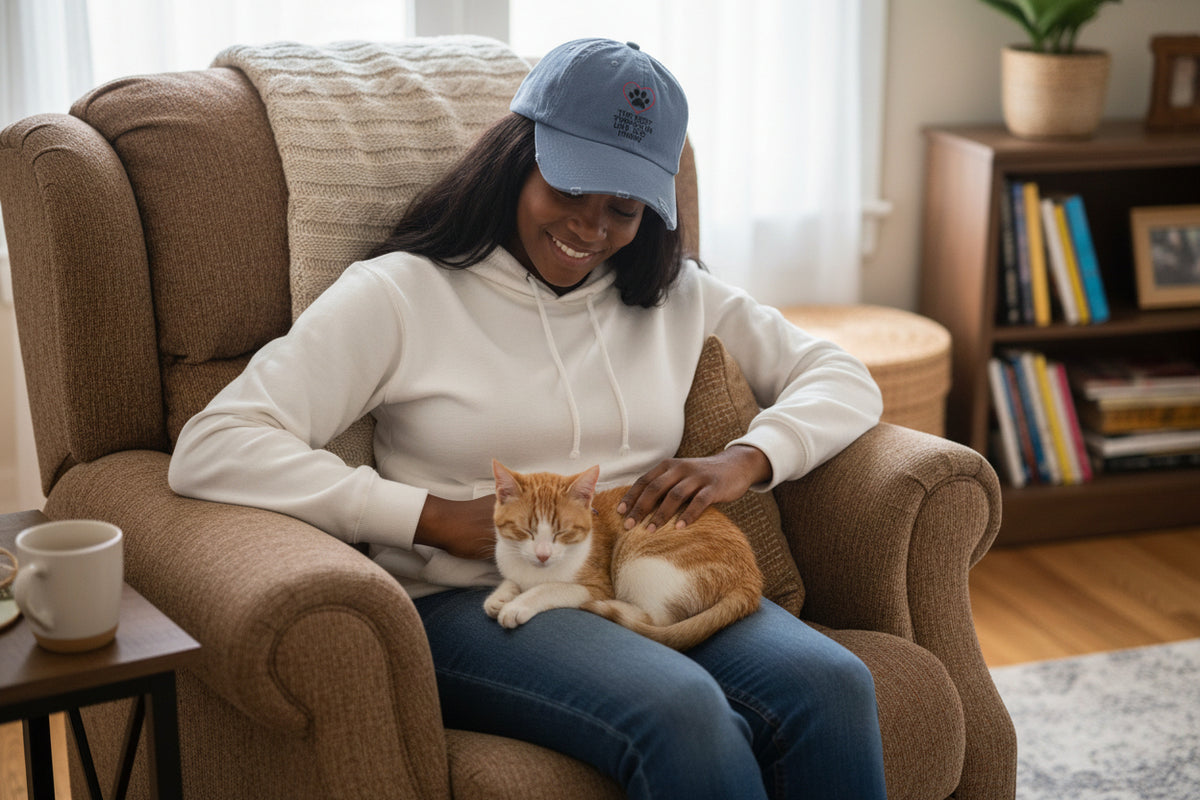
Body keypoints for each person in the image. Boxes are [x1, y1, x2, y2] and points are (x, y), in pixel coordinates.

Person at [169, 38, 887, 800]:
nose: (591, 228)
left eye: (624, 207)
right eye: (570, 188)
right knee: (680, 712)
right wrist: (428, 516)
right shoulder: (400, 295)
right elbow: (215, 446)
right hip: (470, 599)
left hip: (631, 565)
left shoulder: (676, 294)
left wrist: (748, 457)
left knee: (832, 685)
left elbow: (840, 375)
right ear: (519, 155)